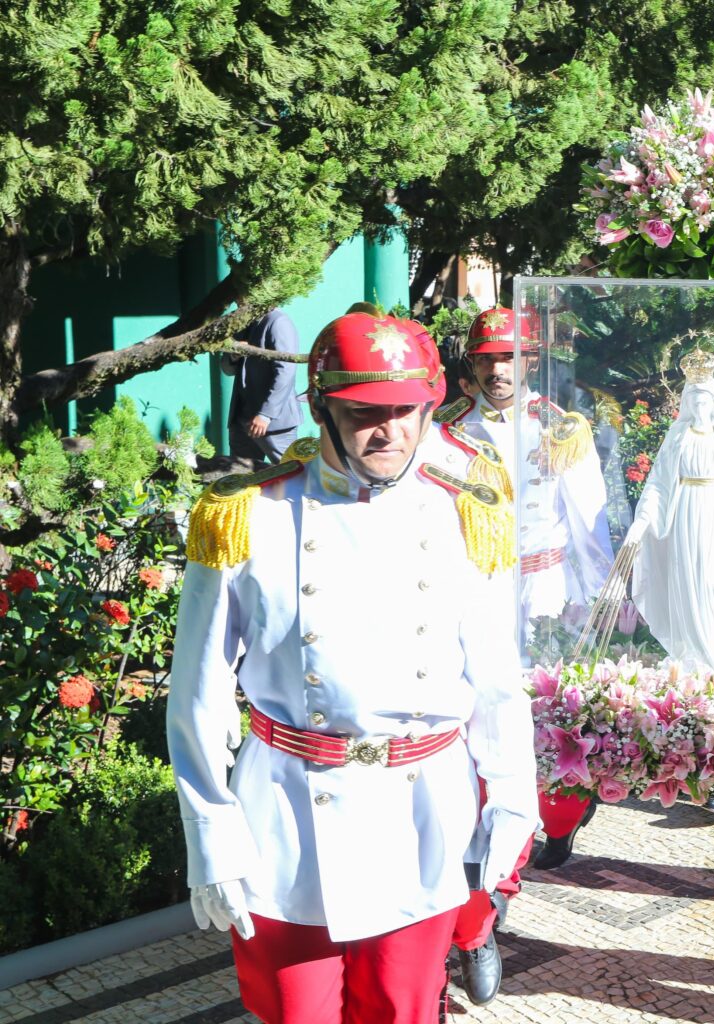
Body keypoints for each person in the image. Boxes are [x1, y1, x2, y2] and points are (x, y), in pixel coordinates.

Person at [167, 312, 535, 1023]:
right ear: (322, 408)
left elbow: (496, 683)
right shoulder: (251, 516)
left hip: (423, 810)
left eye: (406, 411)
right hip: (289, 815)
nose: (389, 431)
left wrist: (512, 803)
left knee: (404, 1011)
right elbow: (199, 694)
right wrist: (208, 831)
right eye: (365, 412)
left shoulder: (465, 514)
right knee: (294, 1013)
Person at [437, 306, 613, 877]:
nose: (498, 372)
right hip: (477, 585)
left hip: (545, 584)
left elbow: (589, 520)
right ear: (473, 366)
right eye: (487, 360)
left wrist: (600, 591)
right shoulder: (447, 429)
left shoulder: (561, 427)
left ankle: (559, 819)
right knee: (480, 702)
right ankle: (489, 822)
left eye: (509, 360)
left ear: (528, 362)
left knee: (550, 705)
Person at [623, 349, 714, 668]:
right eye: (695, 400)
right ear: (687, 402)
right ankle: (689, 652)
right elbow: (659, 486)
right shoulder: (678, 436)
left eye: (706, 399)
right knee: (686, 577)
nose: (700, 406)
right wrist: (643, 521)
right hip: (683, 517)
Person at [220, 309, 302, 463]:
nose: (239, 300)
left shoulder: (278, 322)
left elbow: (285, 370)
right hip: (241, 419)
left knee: (292, 473)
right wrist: (234, 355)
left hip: (274, 424)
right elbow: (226, 369)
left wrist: (266, 415)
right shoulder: (242, 322)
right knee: (239, 479)